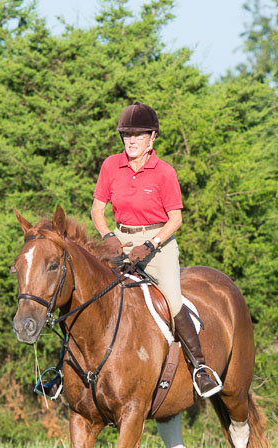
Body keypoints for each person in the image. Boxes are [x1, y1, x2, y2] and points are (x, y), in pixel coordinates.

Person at [91, 101, 223, 397]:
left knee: (173, 300)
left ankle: (201, 368)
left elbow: (175, 218)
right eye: (127, 135)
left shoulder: (164, 172)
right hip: (121, 238)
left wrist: (151, 243)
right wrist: (108, 236)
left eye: (139, 135)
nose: (132, 141)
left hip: (158, 243)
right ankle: (65, 370)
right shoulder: (111, 165)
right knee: (90, 291)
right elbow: (97, 210)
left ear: (153, 138)